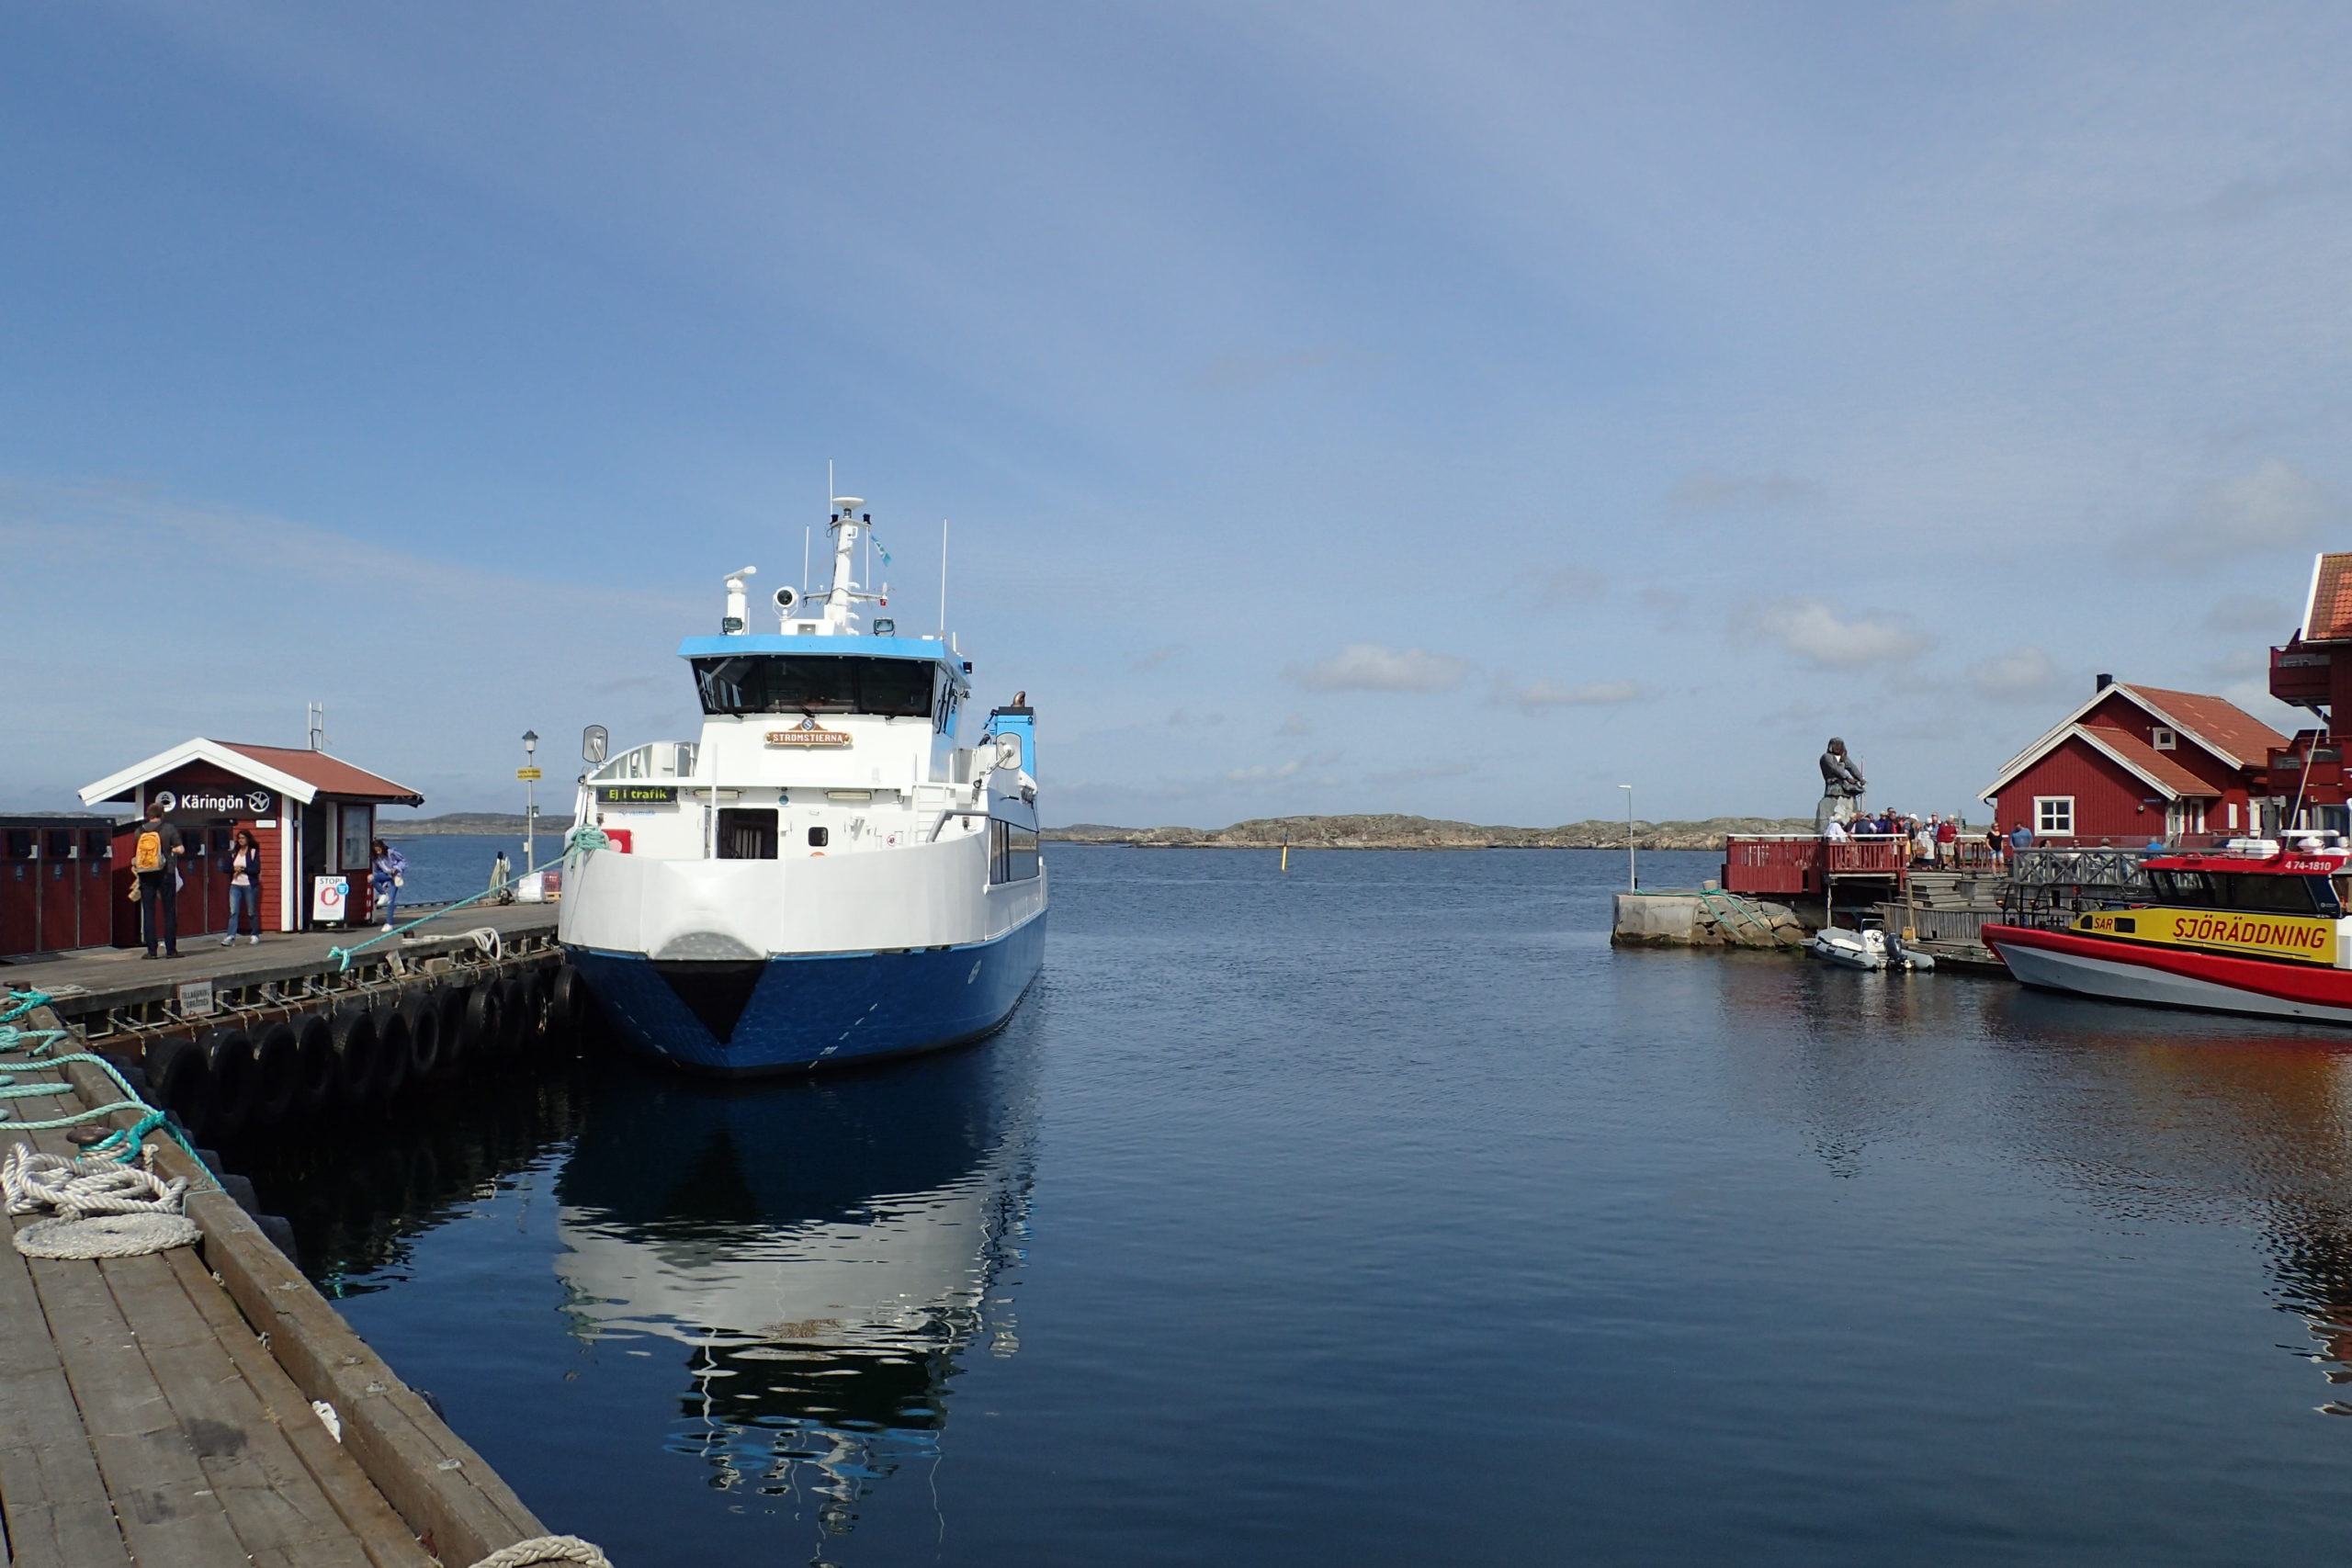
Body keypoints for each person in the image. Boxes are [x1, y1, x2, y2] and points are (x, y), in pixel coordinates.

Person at [129, 800, 184, 959]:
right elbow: (181, 849)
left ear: (148, 815)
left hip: (146, 873)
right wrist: (171, 849)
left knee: (149, 911)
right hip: (166, 872)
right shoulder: (169, 828)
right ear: (162, 814)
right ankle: (171, 950)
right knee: (169, 911)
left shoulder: (139, 830)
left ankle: (151, 951)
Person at [220, 828, 264, 947]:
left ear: (248, 839)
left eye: (243, 838)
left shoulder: (253, 852)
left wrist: (242, 869)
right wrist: (234, 869)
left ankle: (255, 935)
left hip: (249, 885)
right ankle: (231, 935)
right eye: (239, 838)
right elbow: (225, 868)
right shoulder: (234, 853)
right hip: (235, 885)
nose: (241, 840)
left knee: (251, 911)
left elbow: (256, 869)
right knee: (234, 911)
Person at [1816, 738, 1867, 829]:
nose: (1839, 747)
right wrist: (1847, 778)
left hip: (1844, 787)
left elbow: (1852, 767)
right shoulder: (1826, 757)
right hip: (1833, 785)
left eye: (1840, 745)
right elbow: (1834, 769)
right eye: (1837, 745)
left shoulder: (1843, 758)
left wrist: (1860, 778)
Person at [370, 839, 408, 930]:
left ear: (382, 848)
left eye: (379, 850)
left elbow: (403, 861)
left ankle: (389, 923)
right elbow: (378, 870)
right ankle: (383, 894)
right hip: (385, 875)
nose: (378, 853)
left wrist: (396, 868)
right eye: (376, 851)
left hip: (394, 876)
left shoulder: (391, 853)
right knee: (371, 878)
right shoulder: (376, 858)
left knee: (391, 900)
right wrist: (384, 886)